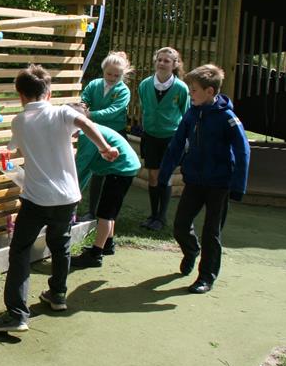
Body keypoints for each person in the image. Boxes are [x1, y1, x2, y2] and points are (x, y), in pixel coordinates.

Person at [0, 64, 118, 333]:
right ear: (49, 93)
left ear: (20, 95)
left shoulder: (20, 121)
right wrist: (104, 148)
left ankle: (17, 314)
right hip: (68, 197)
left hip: (37, 200)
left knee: (21, 251)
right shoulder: (62, 113)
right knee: (61, 245)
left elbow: (10, 150)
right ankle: (57, 295)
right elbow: (85, 122)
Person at [157, 64, 249, 294]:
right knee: (180, 226)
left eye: (194, 90)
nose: (191, 94)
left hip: (219, 183)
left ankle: (206, 277)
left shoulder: (227, 117)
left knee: (211, 232)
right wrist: (164, 173)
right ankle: (191, 250)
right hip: (195, 181)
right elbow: (176, 145)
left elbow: (243, 150)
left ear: (210, 91)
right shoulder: (191, 113)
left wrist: (238, 186)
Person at [69, 120, 140, 268]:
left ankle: (95, 255)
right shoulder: (91, 130)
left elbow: (82, 166)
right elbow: (87, 169)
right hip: (124, 167)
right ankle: (107, 244)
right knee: (110, 210)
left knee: (105, 214)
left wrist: (73, 194)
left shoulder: (87, 136)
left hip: (121, 169)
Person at [137, 47, 189, 231]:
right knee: (152, 175)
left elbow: (186, 113)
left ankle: (162, 216)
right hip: (150, 136)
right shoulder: (144, 85)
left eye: (167, 61)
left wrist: (186, 139)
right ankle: (153, 213)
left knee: (165, 176)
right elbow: (144, 107)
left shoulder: (181, 88)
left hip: (170, 137)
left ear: (175, 64)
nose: (162, 63)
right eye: (159, 59)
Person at [76, 51, 133, 221]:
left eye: (117, 75)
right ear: (103, 70)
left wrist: (89, 115)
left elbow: (113, 111)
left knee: (110, 174)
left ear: (122, 74)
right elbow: (84, 98)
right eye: (109, 73)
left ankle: (106, 215)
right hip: (92, 132)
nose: (112, 77)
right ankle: (90, 211)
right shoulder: (94, 84)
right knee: (92, 171)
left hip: (114, 135)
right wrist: (83, 106)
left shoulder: (123, 91)